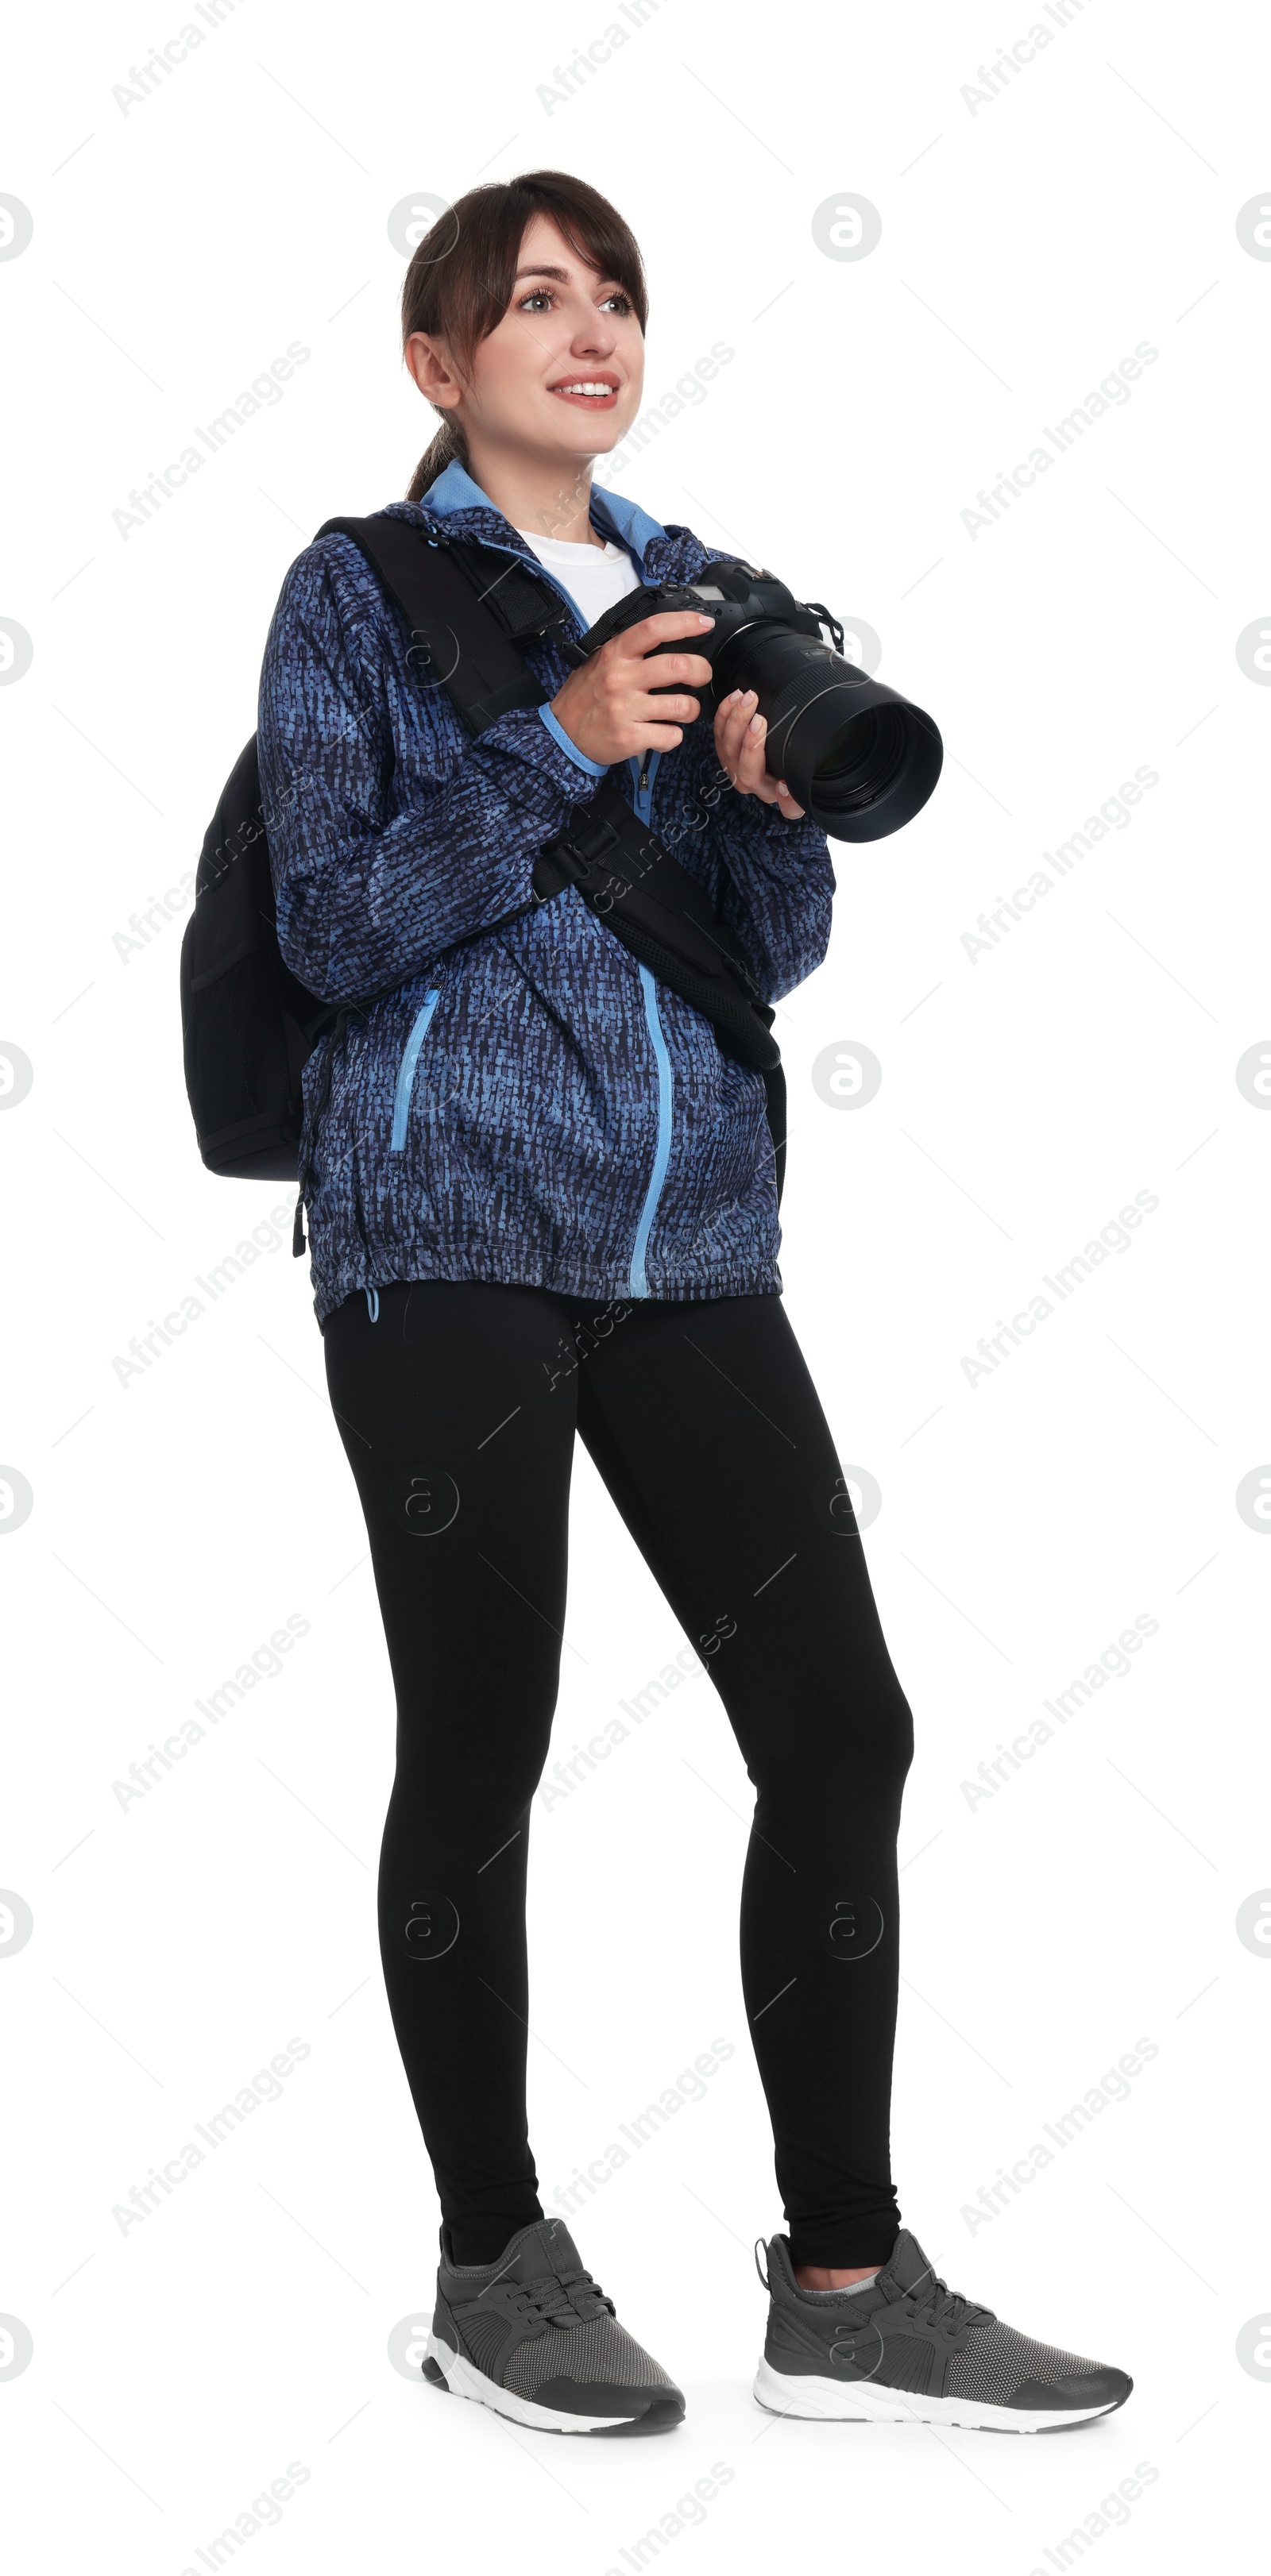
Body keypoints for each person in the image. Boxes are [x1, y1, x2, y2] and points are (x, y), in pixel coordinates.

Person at [257, 169, 1131, 2437]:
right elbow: (335, 925)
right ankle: (492, 2261)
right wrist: (558, 734)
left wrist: (762, 800)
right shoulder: (354, 591)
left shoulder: (708, 590)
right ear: (440, 364)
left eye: (616, 293)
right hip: (441, 1232)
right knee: (486, 1747)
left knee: (843, 1728)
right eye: (532, 298)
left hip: (690, 1246)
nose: (590, 326)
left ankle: (842, 2280)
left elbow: (767, 953)